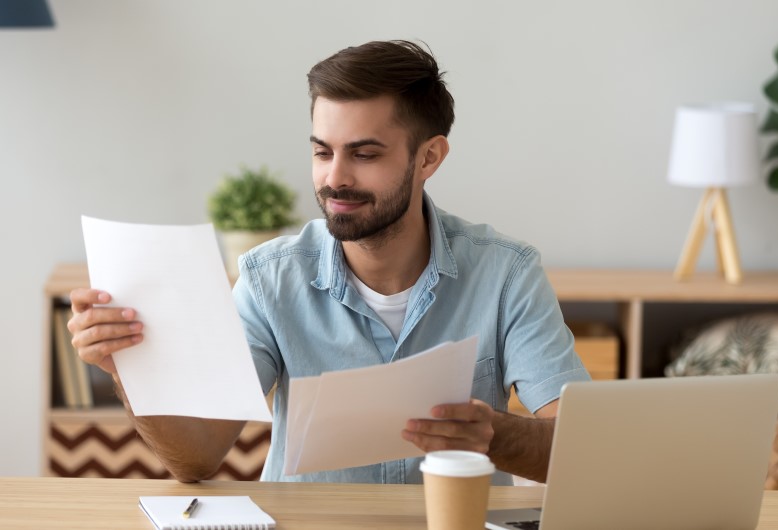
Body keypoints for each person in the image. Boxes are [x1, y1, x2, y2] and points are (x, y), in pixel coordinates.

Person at [68, 40, 590, 485]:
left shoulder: (506, 274)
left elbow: (583, 449)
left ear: (428, 157)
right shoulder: (269, 279)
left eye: (364, 155)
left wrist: (495, 434)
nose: (334, 179)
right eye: (322, 152)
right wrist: (127, 370)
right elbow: (197, 459)